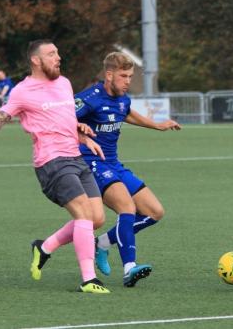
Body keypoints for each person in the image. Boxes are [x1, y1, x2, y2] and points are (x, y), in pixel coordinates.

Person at [0, 39, 110, 294]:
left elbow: (66, 119)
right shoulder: (22, 91)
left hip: (76, 157)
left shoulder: (64, 83)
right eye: (51, 54)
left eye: (57, 53)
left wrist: (81, 133)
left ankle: (44, 247)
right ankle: (88, 279)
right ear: (36, 61)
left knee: (97, 219)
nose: (58, 57)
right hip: (51, 162)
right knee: (83, 213)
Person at [75, 52, 181, 287]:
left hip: (114, 164)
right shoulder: (91, 97)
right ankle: (129, 268)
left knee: (155, 212)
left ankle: (102, 243)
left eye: (130, 76)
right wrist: (79, 129)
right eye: (123, 76)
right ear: (109, 74)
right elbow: (61, 118)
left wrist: (158, 125)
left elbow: (127, 113)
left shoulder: (123, 98)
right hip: (92, 164)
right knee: (127, 207)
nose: (128, 81)